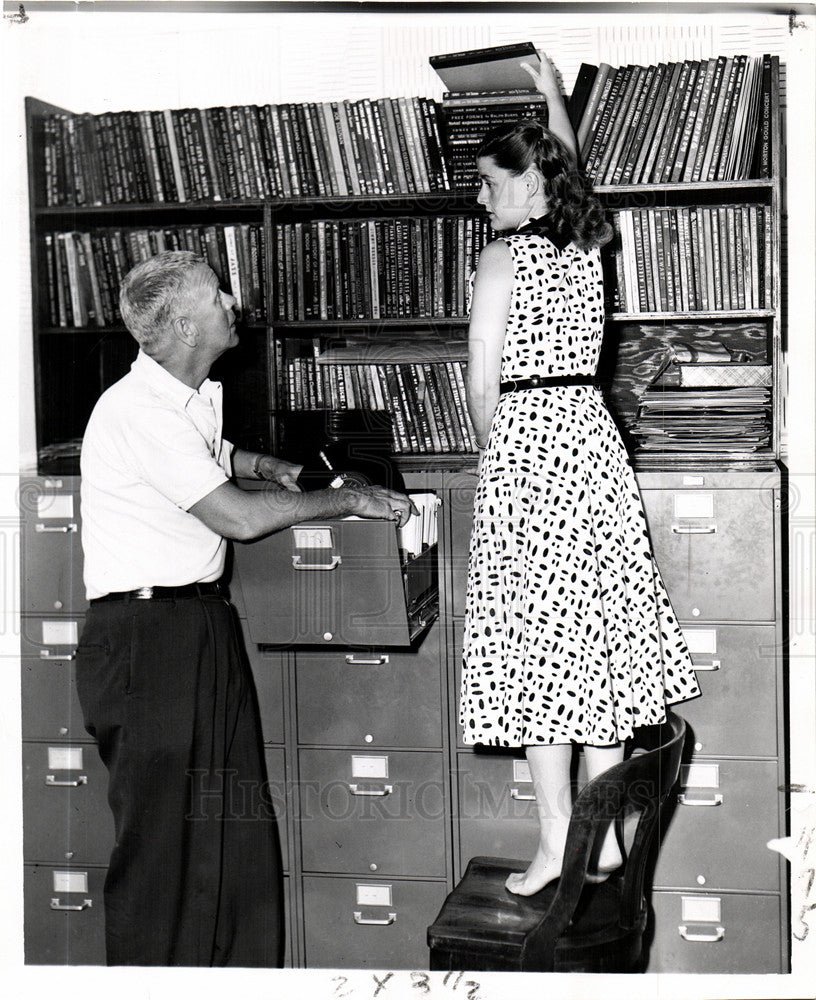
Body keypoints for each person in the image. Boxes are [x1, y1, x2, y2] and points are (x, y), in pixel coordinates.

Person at [76, 250, 416, 965]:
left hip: (197, 622)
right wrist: (345, 497)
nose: (231, 300)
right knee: (162, 853)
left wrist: (274, 466)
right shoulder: (136, 411)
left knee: (231, 834)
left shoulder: (188, 395)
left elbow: (218, 455)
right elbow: (236, 519)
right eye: (214, 296)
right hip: (144, 637)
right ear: (181, 325)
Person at [460, 56, 701, 896]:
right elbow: (570, 163)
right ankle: (599, 845)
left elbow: (482, 383)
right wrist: (552, 95)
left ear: (528, 189)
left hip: (529, 440)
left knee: (539, 655)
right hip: (591, 438)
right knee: (592, 648)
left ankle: (558, 842)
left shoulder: (500, 260)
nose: (483, 199)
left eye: (492, 184)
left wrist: (503, 465)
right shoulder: (588, 242)